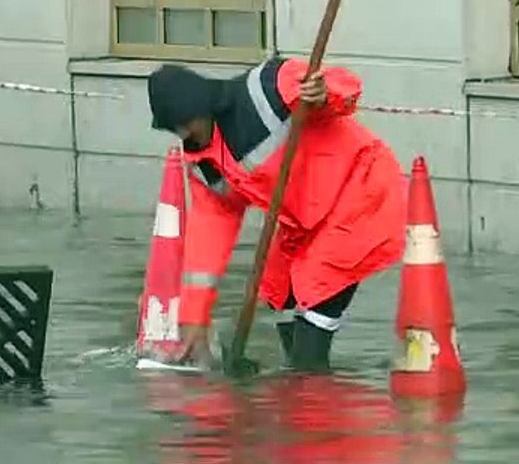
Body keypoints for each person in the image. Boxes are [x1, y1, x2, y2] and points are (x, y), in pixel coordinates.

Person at [146, 56, 407, 372]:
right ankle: (297, 383)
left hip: (359, 193)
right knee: (278, 288)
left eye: (185, 124)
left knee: (317, 290)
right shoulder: (205, 166)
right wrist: (193, 318)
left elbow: (341, 85)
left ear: (201, 107)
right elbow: (206, 248)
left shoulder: (266, 88)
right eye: (177, 129)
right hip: (303, 222)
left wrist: (324, 93)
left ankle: (312, 386)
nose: (185, 134)